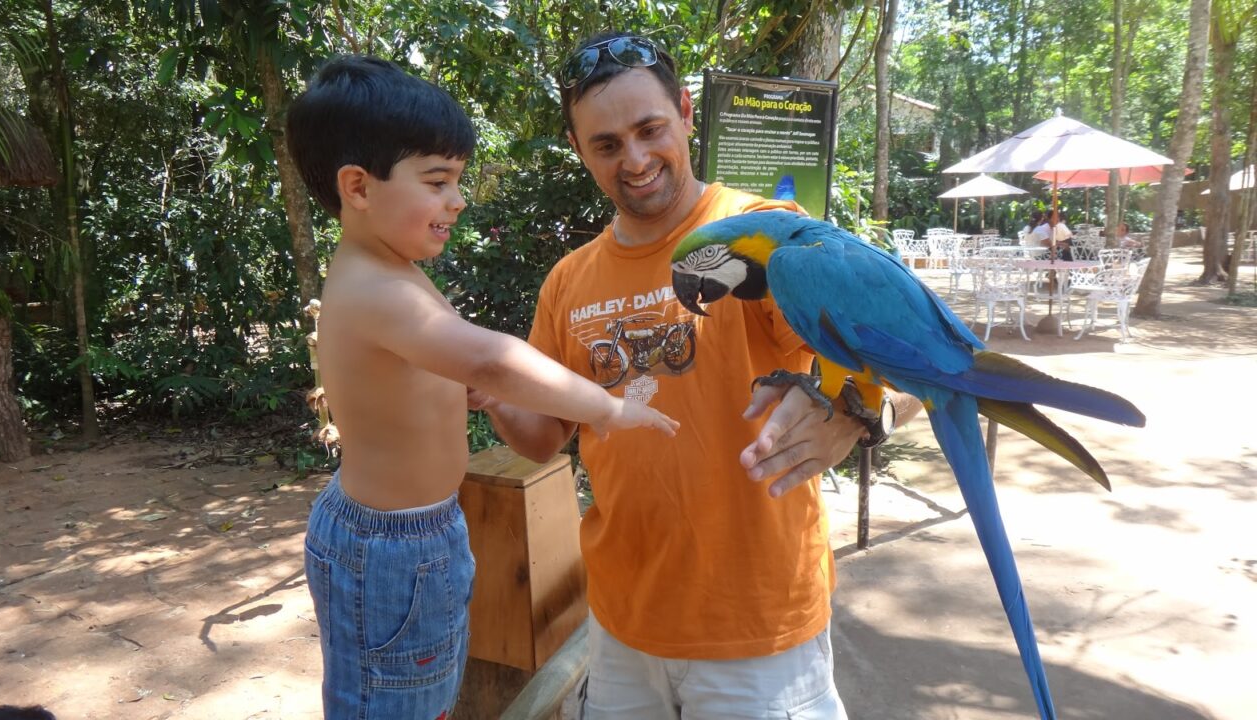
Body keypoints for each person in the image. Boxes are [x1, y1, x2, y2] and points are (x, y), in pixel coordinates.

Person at [474, 32, 921, 719]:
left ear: (685, 112)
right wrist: (488, 386)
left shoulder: (765, 233)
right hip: (624, 623)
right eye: (607, 144)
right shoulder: (568, 281)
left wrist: (859, 416)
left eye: (650, 129)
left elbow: (915, 370)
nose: (636, 158)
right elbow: (544, 438)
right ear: (579, 149)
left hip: (756, 631)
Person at [285, 55, 679, 720]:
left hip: (419, 536)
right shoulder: (375, 286)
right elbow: (491, 359)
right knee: (395, 705)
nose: (457, 200)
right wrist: (607, 408)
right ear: (358, 186)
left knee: (427, 697)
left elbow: (448, 368)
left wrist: (467, 392)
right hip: (390, 549)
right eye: (438, 182)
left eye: (457, 181)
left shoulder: (393, 269)